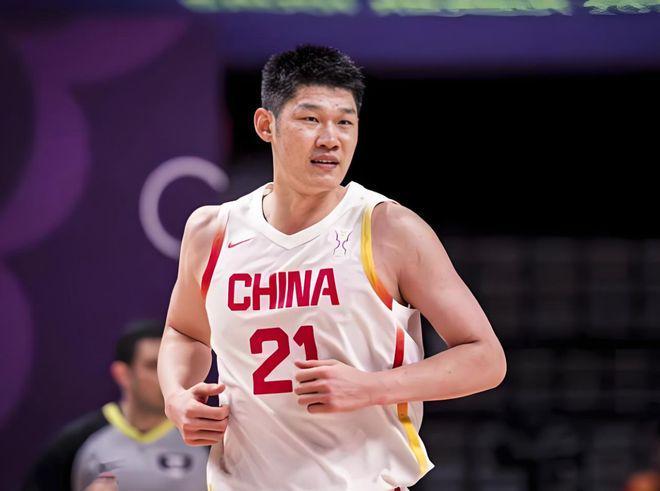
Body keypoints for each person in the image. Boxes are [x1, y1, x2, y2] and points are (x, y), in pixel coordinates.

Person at [157, 44, 507, 491]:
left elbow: (485, 359)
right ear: (266, 125)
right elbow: (184, 332)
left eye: (345, 122)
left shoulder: (389, 228)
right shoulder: (212, 230)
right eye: (310, 119)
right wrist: (175, 397)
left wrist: (370, 387)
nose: (330, 138)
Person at [23, 320, 208, 491]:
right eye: (153, 366)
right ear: (123, 374)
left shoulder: (206, 439)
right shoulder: (76, 443)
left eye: (170, 367)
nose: (165, 377)